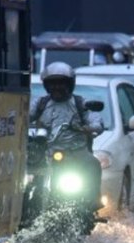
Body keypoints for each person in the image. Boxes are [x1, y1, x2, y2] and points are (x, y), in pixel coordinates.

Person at [28, 61, 103, 205]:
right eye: (52, 84)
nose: (56, 87)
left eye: (61, 83)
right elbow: (22, 116)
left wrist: (90, 127)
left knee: (93, 163)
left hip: (75, 152)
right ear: (46, 85)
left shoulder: (80, 103)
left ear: (70, 84)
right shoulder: (40, 104)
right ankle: (26, 201)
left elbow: (95, 120)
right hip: (44, 151)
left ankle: (92, 202)